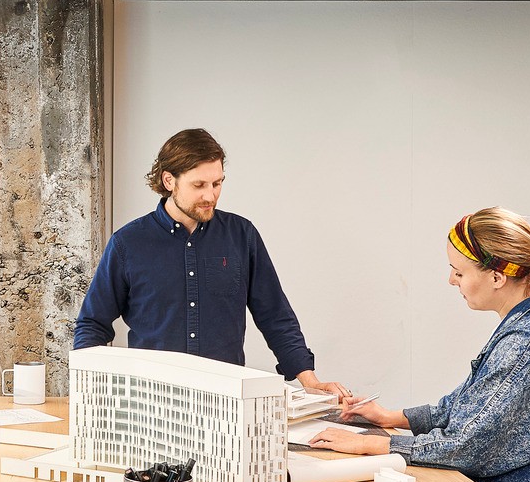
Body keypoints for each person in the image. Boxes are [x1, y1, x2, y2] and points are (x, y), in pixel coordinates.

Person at [308, 207, 530, 482]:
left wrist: (371, 444)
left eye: (458, 272)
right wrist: (390, 418)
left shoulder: (526, 342)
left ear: (497, 277)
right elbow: (466, 406)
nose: (451, 280)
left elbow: (465, 445)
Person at [73, 128, 348, 398]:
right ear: (169, 180)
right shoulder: (128, 243)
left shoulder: (242, 236)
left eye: (217, 184)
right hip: (152, 402)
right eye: (199, 185)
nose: (210, 196)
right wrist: (89, 390)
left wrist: (309, 380)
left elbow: (275, 315)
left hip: (225, 401)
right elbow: (93, 324)